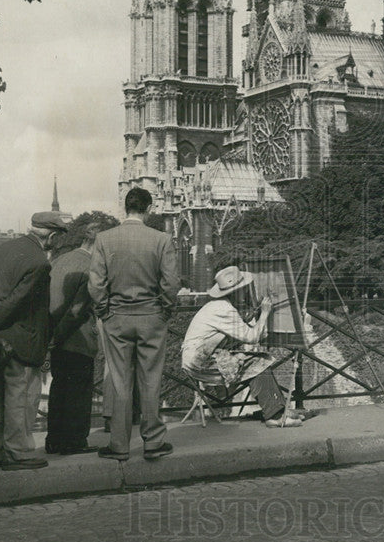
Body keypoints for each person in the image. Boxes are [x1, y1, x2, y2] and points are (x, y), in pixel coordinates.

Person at [0, 210, 73, 470]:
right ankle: (19, 453)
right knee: (21, 395)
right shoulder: (39, 262)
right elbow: (18, 300)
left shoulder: (0, 251)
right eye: (58, 237)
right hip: (21, 339)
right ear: (51, 236)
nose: (57, 242)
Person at [88, 188, 179, 461]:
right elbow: (172, 283)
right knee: (151, 379)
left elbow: (95, 285)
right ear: (148, 208)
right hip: (152, 316)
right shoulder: (162, 239)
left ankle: (119, 444)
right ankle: (153, 442)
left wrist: (106, 311)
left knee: (119, 380)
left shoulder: (105, 239)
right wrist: (163, 310)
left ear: (125, 208)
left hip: (117, 317)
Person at [181, 265, 306, 427]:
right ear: (236, 291)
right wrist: (265, 313)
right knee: (258, 363)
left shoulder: (221, 305)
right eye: (243, 288)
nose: (247, 290)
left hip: (203, 357)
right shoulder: (223, 309)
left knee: (259, 360)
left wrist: (256, 318)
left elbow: (251, 333)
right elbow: (252, 337)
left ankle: (278, 408)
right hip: (200, 363)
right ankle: (274, 416)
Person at [45, 223, 101, 455]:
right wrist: (58, 337)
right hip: (77, 339)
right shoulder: (91, 268)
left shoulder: (59, 260)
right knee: (79, 391)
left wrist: (51, 338)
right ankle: (74, 441)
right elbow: (77, 311)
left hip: (55, 337)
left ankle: (54, 440)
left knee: (59, 390)